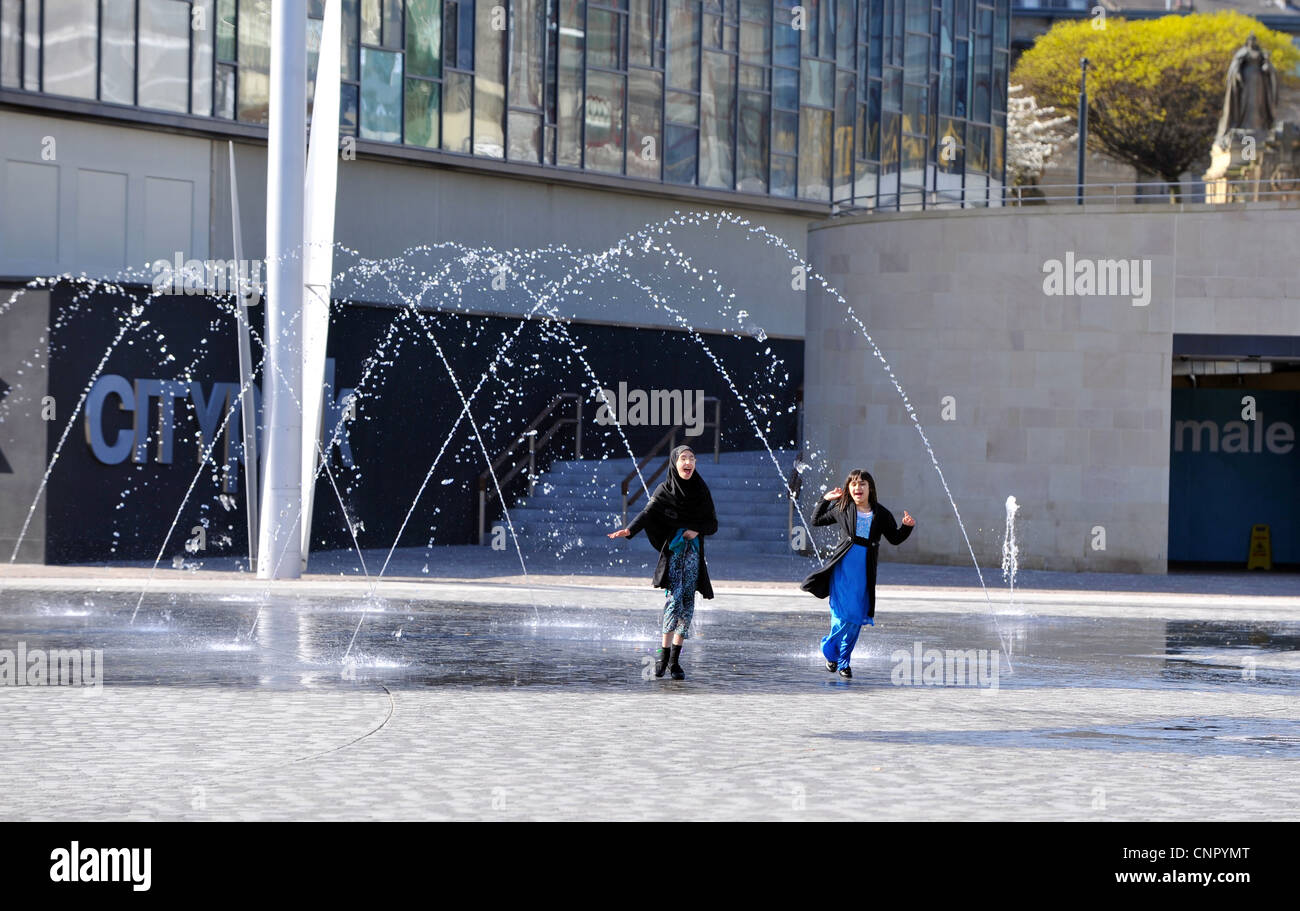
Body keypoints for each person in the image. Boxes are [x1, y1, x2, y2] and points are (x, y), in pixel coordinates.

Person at [608, 445, 717, 680]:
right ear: (675, 463)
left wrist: (695, 530)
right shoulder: (664, 490)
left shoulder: (701, 489)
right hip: (674, 555)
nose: (688, 462)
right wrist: (629, 530)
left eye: (692, 459)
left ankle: (675, 662)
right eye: (683, 458)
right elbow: (648, 513)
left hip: (693, 556)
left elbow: (712, 524)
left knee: (687, 604)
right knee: (674, 601)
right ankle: (663, 656)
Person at [800, 469, 915, 678]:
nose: (857, 488)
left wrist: (907, 528)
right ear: (848, 489)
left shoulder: (881, 513)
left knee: (855, 618)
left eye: (862, 484)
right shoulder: (843, 508)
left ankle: (843, 661)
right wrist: (824, 499)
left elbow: (895, 538)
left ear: (870, 488)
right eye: (853, 484)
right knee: (842, 615)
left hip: (865, 571)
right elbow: (816, 520)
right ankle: (831, 651)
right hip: (843, 568)